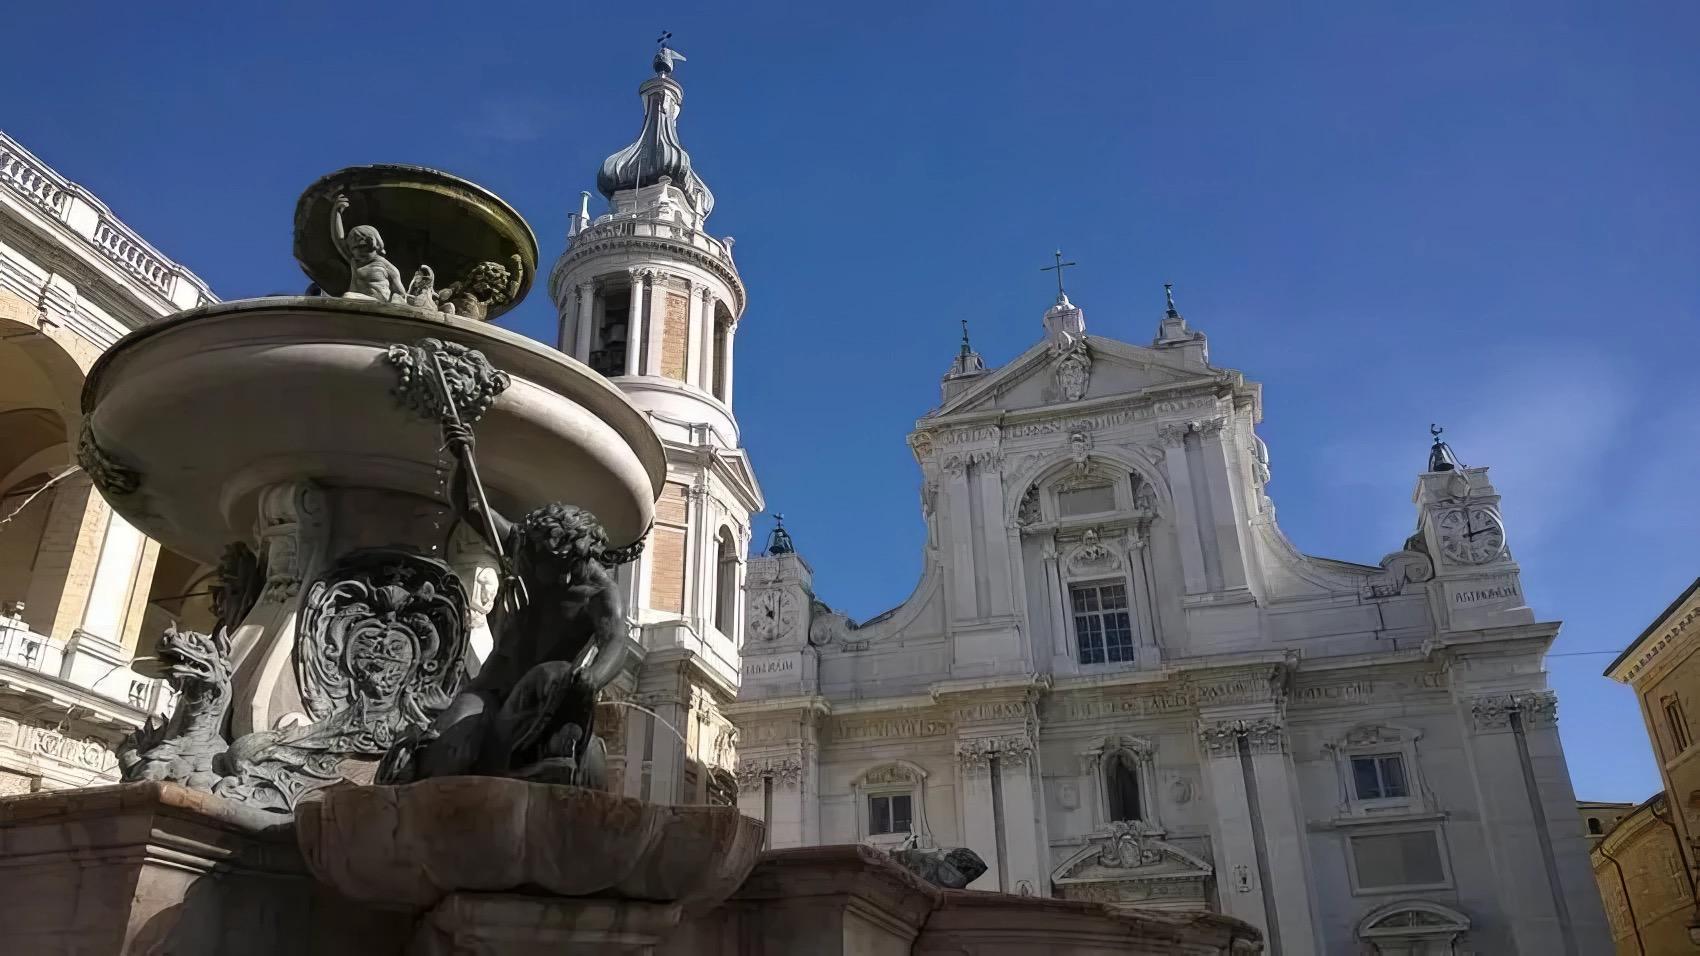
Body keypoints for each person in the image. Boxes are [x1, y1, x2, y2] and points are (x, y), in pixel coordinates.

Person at [330, 194, 407, 303]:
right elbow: (339, 240)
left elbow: (401, 294)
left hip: (377, 304)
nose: (357, 250)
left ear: (375, 244)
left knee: (348, 296)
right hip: (357, 303)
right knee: (348, 297)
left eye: (361, 245)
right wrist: (336, 212)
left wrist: (394, 304)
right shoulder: (355, 262)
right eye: (354, 245)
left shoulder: (386, 266)